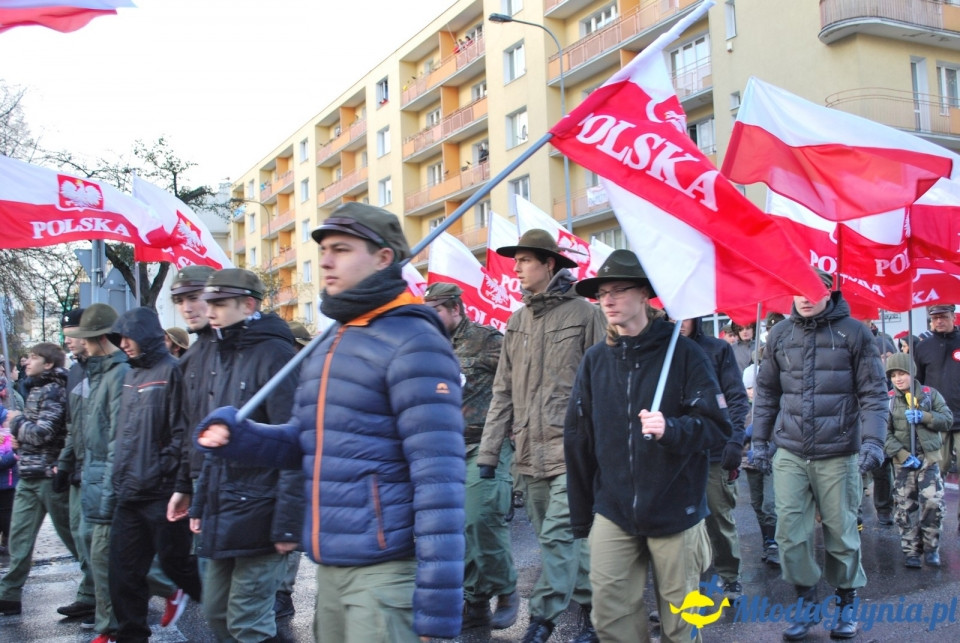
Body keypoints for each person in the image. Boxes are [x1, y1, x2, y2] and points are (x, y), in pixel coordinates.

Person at [194, 202, 466, 642]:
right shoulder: (334, 338)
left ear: (383, 258)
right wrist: (242, 438)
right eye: (323, 249)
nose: (325, 260)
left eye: (341, 249)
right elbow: (308, 442)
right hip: (333, 566)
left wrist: (437, 613)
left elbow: (440, 484)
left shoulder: (414, 341)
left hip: (386, 572)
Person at [564, 250, 733, 642]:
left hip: (676, 507)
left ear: (644, 294)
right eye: (602, 292)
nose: (607, 299)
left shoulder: (685, 354)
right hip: (614, 508)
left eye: (618, 290)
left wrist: (672, 429)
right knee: (610, 617)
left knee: (681, 622)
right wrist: (581, 514)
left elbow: (716, 427)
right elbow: (578, 439)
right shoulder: (595, 360)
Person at [478, 228, 606, 643]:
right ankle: (592, 610)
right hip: (528, 455)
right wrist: (488, 454)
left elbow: (604, 381)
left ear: (549, 264)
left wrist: (604, 447)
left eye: (524, 260)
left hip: (573, 451)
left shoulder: (585, 315)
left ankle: (542, 619)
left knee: (557, 536)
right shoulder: (516, 322)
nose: (515, 268)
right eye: (515, 261)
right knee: (568, 542)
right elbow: (502, 391)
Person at [752, 270, 888, 640]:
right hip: (790, 451)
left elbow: (875, 394)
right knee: (790, 535)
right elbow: (766, 394)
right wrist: (759, 442)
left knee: (841, 533)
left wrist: (874, 442)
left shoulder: (855, 333)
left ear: (829, 293)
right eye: (797, 289)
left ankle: (846, 603)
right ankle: (806, 604)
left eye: (814, 290)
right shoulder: (779, 335)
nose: (805, 297)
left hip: (839, 451)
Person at [188, 268, 304, 643]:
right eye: (210, 302)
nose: (211, 310)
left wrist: (288, 524)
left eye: (220, 303)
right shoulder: (223, 354)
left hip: (262, 510)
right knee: (216, 614)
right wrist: (201, 505)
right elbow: (217, 442)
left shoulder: (276, 355)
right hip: (224, 506)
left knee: (247, 622)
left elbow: (295, 443)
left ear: (248, 304)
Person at [424, 282, 519, 633]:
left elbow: (515, 381)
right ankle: (474, 601)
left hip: (486, 443)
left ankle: (507, 589)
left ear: (455, 309)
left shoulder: (487, 340)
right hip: (446, 448)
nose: (430, 318)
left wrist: (515, 426)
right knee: (458, 528)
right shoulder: (428, 346)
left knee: (480, 517)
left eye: (436, 310)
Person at [108, 308, 203, 640]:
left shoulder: (172, 371)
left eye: (127, 336)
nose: (123, 344)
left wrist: (174, 478)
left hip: (162, 493)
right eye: (118, 338)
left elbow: (182, 432)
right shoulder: (130, 377)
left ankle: (223, 607)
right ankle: (130, 634)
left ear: (145, 335)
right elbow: (125, 435)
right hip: (129, 494)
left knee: (176, 563)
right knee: (122, 573)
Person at [0, 343, 83, 616]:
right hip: (29, 473)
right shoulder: (36, 387)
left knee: (73, 539)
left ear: (48, 364)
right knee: (19, 537)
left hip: (50, 476)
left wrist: (16, 423)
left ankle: (96, 590)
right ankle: (9, 594)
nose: (26, 362)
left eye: (34, 358)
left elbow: (42, 433)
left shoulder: (54, 389)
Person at [678, 317, 749, 599]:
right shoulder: (659, 351)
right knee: (678, 524)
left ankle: (730, 576)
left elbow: (736, 397)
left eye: (683, 316)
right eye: (671, 315)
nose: (677, 322)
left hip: (713, 450)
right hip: (676, 448)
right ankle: (682, 588)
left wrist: (734, 439)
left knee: (718, 518)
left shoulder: (717, 349)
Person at [882, 352, 952, 569]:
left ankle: (931, 548)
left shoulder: (930, 395)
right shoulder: (890, 400)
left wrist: (925, 417)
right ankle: (911, 550)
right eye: (893, 375)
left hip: (929, 459)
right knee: (905, 506)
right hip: (904, 461)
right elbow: (883, 434)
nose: (898, 379)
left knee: (933, 501)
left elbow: (947, 420)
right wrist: (902, 455)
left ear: (912, 373)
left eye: (902, 373)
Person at [55, 308, 98, 624]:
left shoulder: (108, 369)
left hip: (99, 468)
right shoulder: (75, 371)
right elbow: (73, 422)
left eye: (73, 334)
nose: (68, 340)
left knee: (93, 538)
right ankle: (89, 594)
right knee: (77, 533)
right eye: (66, 335)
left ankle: (102, 599)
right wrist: (64, 463)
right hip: (78, 466)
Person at [913, 304, 960, 495]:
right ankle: (934, 520)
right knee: (936, 472)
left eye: (943, 316)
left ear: (953, 318)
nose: (939, 321)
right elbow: (918, 383)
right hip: (936, 419)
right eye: (935, 318)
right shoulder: (923, 347)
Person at [741, 365, 778, 567]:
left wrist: (769, 448)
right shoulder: (741, 408)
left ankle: (774, 543)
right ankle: (766, 540)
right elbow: (734, 435)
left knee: (770, 503)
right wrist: (744, 438)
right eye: (749, 387)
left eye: (756, 387)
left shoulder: (774, 406)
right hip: (750, 462)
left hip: (770, 459)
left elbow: (782, 433)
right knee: (757, 504)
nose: (753, 391)